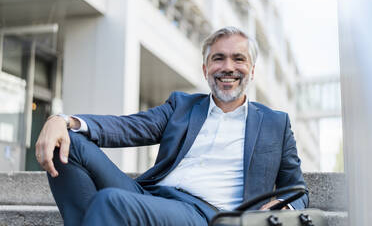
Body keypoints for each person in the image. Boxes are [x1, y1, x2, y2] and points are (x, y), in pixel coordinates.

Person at [35, 26, 308, 226]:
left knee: (110, 202)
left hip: (206, 214)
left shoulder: (276, 123)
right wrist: (62, 120)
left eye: (238, 59)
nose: (228, 67)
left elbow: (298, 189)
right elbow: (129, 127)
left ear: (252, 69)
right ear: (205, 69)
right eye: (218, 58)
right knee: (69, 143)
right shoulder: (182, 106)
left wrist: (284, 206)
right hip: (149, 196)